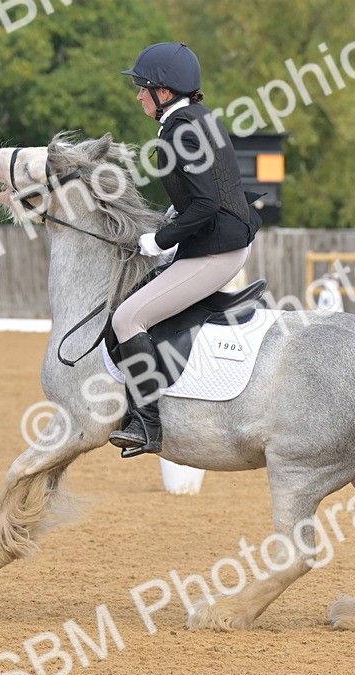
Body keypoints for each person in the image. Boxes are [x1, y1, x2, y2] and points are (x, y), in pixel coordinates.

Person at [109, 41, 261, 457]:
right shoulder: (197, 118)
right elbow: (208, 188)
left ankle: (147, 423)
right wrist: (171, 217)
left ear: (163, 91)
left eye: (142, 88)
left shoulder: (181, 131)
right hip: (218, 239)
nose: (138, 96)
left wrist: (158, 241)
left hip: (216, 250)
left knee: (128, 318)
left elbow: (207, 203)